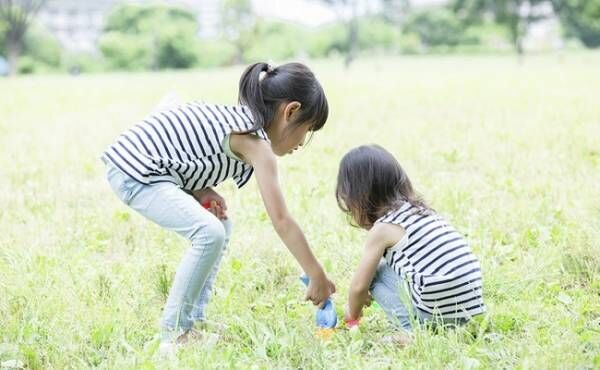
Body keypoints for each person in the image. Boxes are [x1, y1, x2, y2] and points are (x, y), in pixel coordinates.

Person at [101, 62, 336, 349]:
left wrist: (200, 189)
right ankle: (174, 333)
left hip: (144, 168)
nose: (304, 142)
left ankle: (194, 320)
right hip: (133, 171)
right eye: (308, 130)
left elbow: (179, 131)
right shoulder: (255, 143)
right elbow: (282, 220)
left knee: (219, 225)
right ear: (291, 112)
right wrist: (316, 274)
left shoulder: (237, 121)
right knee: (208, 232)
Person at [335, 145, 485, 333]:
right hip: (469, 307)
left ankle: (409, 331)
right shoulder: (422, 212)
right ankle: (447, 325)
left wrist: (352, 313)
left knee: (374, 274)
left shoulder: (382, 229)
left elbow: (358, 287)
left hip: (437, 309)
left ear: (358, 197)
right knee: (381, 268)